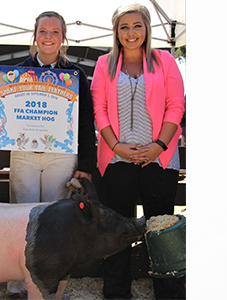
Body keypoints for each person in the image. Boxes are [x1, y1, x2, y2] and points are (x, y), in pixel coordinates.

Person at [0, 11, 96, 299]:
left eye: (55, 32)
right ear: (35, 35)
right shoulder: (13, 73)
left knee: (56, 223)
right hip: (23, 154)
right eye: (43, 31)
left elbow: (86, 123)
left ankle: (52, 287)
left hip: (61, 157)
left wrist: (86, 165)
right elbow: (1, 116)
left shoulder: (76, 76)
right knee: (20, 220)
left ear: (63, 38)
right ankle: (16, 285)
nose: (48, 37)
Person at [90, 3, 185, 299]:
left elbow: (176, 106)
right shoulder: (104, 64)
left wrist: (158, 147)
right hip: (116, 160)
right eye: (124, 27)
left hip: (159, 159)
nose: (131, 33)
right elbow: (100, 110)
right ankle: (117, 292)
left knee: (160, 228)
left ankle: (167, 291)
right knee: (117, 230)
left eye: (137, 26)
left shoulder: (165, 60)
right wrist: (117, 147)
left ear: (147, 28)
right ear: (116, 32)